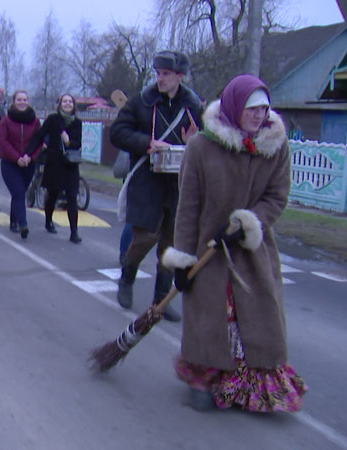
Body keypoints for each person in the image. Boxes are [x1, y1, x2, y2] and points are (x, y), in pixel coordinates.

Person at [161, 74, 306, 412]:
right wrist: (182, 260)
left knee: (255, 316)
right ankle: (204, 380)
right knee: (212, 317)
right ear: (235, 106)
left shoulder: (275, 146)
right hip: (207, 251)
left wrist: (249, 222)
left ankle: (244, 388)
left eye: (264, 109)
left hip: (253, 250)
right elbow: (188, 206)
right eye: (252, 109)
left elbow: (277, 196)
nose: (259, 116)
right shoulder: (201, 146)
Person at [109, 50, 203, 320]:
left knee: (171, 244)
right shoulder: (142, 101)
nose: (160, 79)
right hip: (147, 180)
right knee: (145, 237)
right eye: (158, 73)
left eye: (167, 74)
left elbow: (207, 138)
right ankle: (127, 278)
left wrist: (193, 141)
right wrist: (147, 144)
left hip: (178, 183)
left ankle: (161, 300)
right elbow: (118, 132)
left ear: (180, 77)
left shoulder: (193, 106)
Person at [25, 93, 83, 243]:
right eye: (65, 101)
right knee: (53, 194)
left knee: (72, 196)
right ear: (60, 104)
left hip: (70, 164)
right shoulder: (53, 119)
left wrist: (68, 141)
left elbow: (78, 143)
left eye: (70, 101)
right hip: (55, 162)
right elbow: (39, 136)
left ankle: (74, 232)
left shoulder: (77, 122)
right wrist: (28, 153)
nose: (68, 104)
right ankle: (48, 220)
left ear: (73, 105)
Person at [0, 90, 42, 238]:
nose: (22, 102)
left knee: (20, 193)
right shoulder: (6, 120)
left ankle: (13, 221)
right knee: (18, 192)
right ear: (14, 101)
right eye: (19, 100)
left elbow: (39, 141)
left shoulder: (34, 121)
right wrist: (17, 158)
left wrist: (30, 157)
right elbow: (2, 141)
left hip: (29, 163)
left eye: (25, 99)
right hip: (10, 163)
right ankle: (23, 224)